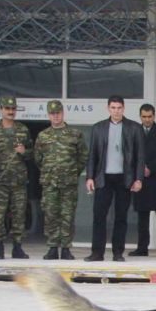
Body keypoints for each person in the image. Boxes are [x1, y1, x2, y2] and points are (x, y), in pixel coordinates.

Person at [84, 96, 144, 262]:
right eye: (113, 107)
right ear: (108, 109)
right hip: (103, 178)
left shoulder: (134, 128)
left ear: (123, 108)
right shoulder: (98, 128)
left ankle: (118, 253)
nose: (116, 111)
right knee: (99, 216)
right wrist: (90, 177)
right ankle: (97, 253)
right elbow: (92, 156)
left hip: (124, 178)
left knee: (121, 216)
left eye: (119, 107)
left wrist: (139, 179)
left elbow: (140, 157)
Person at [33, 100, 89, 261]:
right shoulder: (43, 136)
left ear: (63, 113)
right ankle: (52, 247)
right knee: (50, 214)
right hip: (50, 182)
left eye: (58, 113)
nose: (55, 116)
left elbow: (83, 157)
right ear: (48, 115)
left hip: (68, 182)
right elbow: (38, 159)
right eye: (52, 113)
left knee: (67, 215)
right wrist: (50, 170)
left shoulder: (75, 134)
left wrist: (72, 171)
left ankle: (65, 248)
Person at [0, 96, 34, 259]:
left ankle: (17, 247)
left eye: (13, 109)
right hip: (0, 181)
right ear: (1, 110)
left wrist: (25, 152)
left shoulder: (23, 129)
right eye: (7, 109)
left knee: (19, 215)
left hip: (19, 181)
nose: (10, 112)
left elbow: (32, 153)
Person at [130, 104, 156, 257]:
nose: (147, 120)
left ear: (154, 116)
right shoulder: (135, 131)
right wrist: (140, 170)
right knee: (142, 216)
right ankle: (142, 248)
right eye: (144, 117)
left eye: (149, 116)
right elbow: (131, 154)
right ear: (140, 116)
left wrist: (151, 168)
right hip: (141, 180)